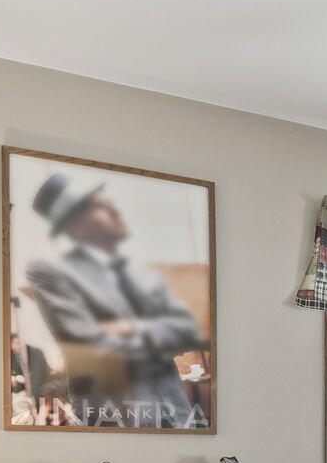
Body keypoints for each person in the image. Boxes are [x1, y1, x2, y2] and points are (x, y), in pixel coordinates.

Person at [22, 170, 207, 427]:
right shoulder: (49, 272)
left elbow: (183, 328)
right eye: (100, 205)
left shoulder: (132, 270)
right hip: (117, 417)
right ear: (75, 222)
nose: (113, 208)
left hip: (177, 413)